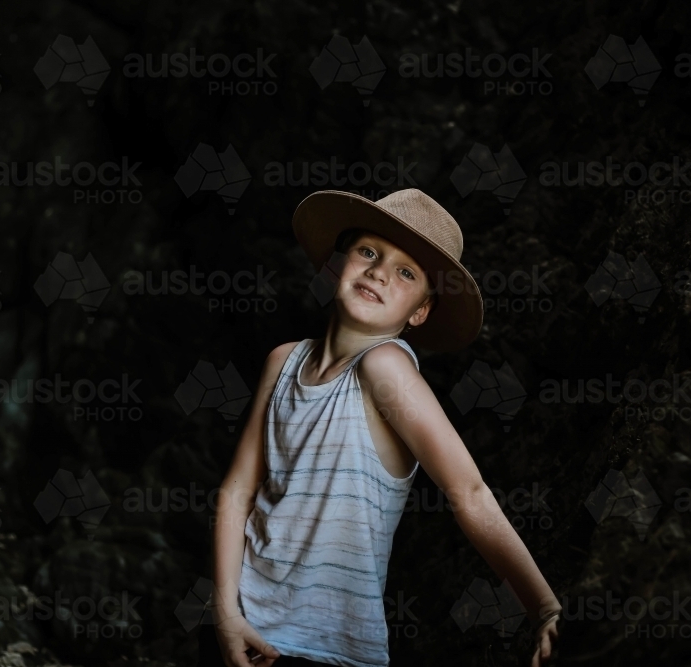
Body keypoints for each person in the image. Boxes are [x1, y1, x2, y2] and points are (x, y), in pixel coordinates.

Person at [198, 189, 561, 667]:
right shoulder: (282, 362)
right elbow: (237, 490)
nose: (379, 271)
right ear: (336, 265)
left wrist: (544, 607)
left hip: (326, 649)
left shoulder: (384, 367)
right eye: (368, 252)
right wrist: (225, 611)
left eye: (406, 273)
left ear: (420, 312)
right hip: (243, 622)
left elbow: (467, 491)